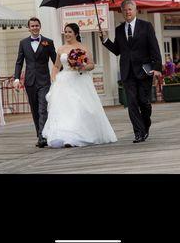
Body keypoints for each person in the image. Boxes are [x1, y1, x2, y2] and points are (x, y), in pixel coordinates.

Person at [42, 23, 117, 148]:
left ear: (76, 34)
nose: (67, 34)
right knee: (64, 109)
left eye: (70, 32)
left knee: (79, 107)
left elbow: (91, 64)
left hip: (79, 80)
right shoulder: (61, 49)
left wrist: (81, 66)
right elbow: (56, 66)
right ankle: (64, 136)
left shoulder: (83, 48)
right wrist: (54, 77)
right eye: (65, 32)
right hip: (64, 81)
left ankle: (77, 135)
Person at [99, 0, 162, 143]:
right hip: (127, 72)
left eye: (129, 9)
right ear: (121, 12)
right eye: (124, 10)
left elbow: (154, 47)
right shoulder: (119, 29)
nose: (127, 12)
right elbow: (117, 50)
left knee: (144, 102)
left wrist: (157, 67)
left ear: (135, 10)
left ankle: (145, 124)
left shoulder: (146, 26)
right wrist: (105, 40)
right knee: (132, 103)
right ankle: (138, 132)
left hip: (144, 71)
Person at [13, 17, 57, 148]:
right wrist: (16, 78)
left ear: (40, 26)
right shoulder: (23, 43)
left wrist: (62, 73)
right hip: (29, 81)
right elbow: (19, 62)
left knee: (43, 108)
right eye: (32, 26)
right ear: (29, 28)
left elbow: (56, 61)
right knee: (35, 109)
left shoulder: (48, 42)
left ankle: (43, 137)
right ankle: (39, 134)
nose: (35, 28)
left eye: (37, 25)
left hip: (44, 80)